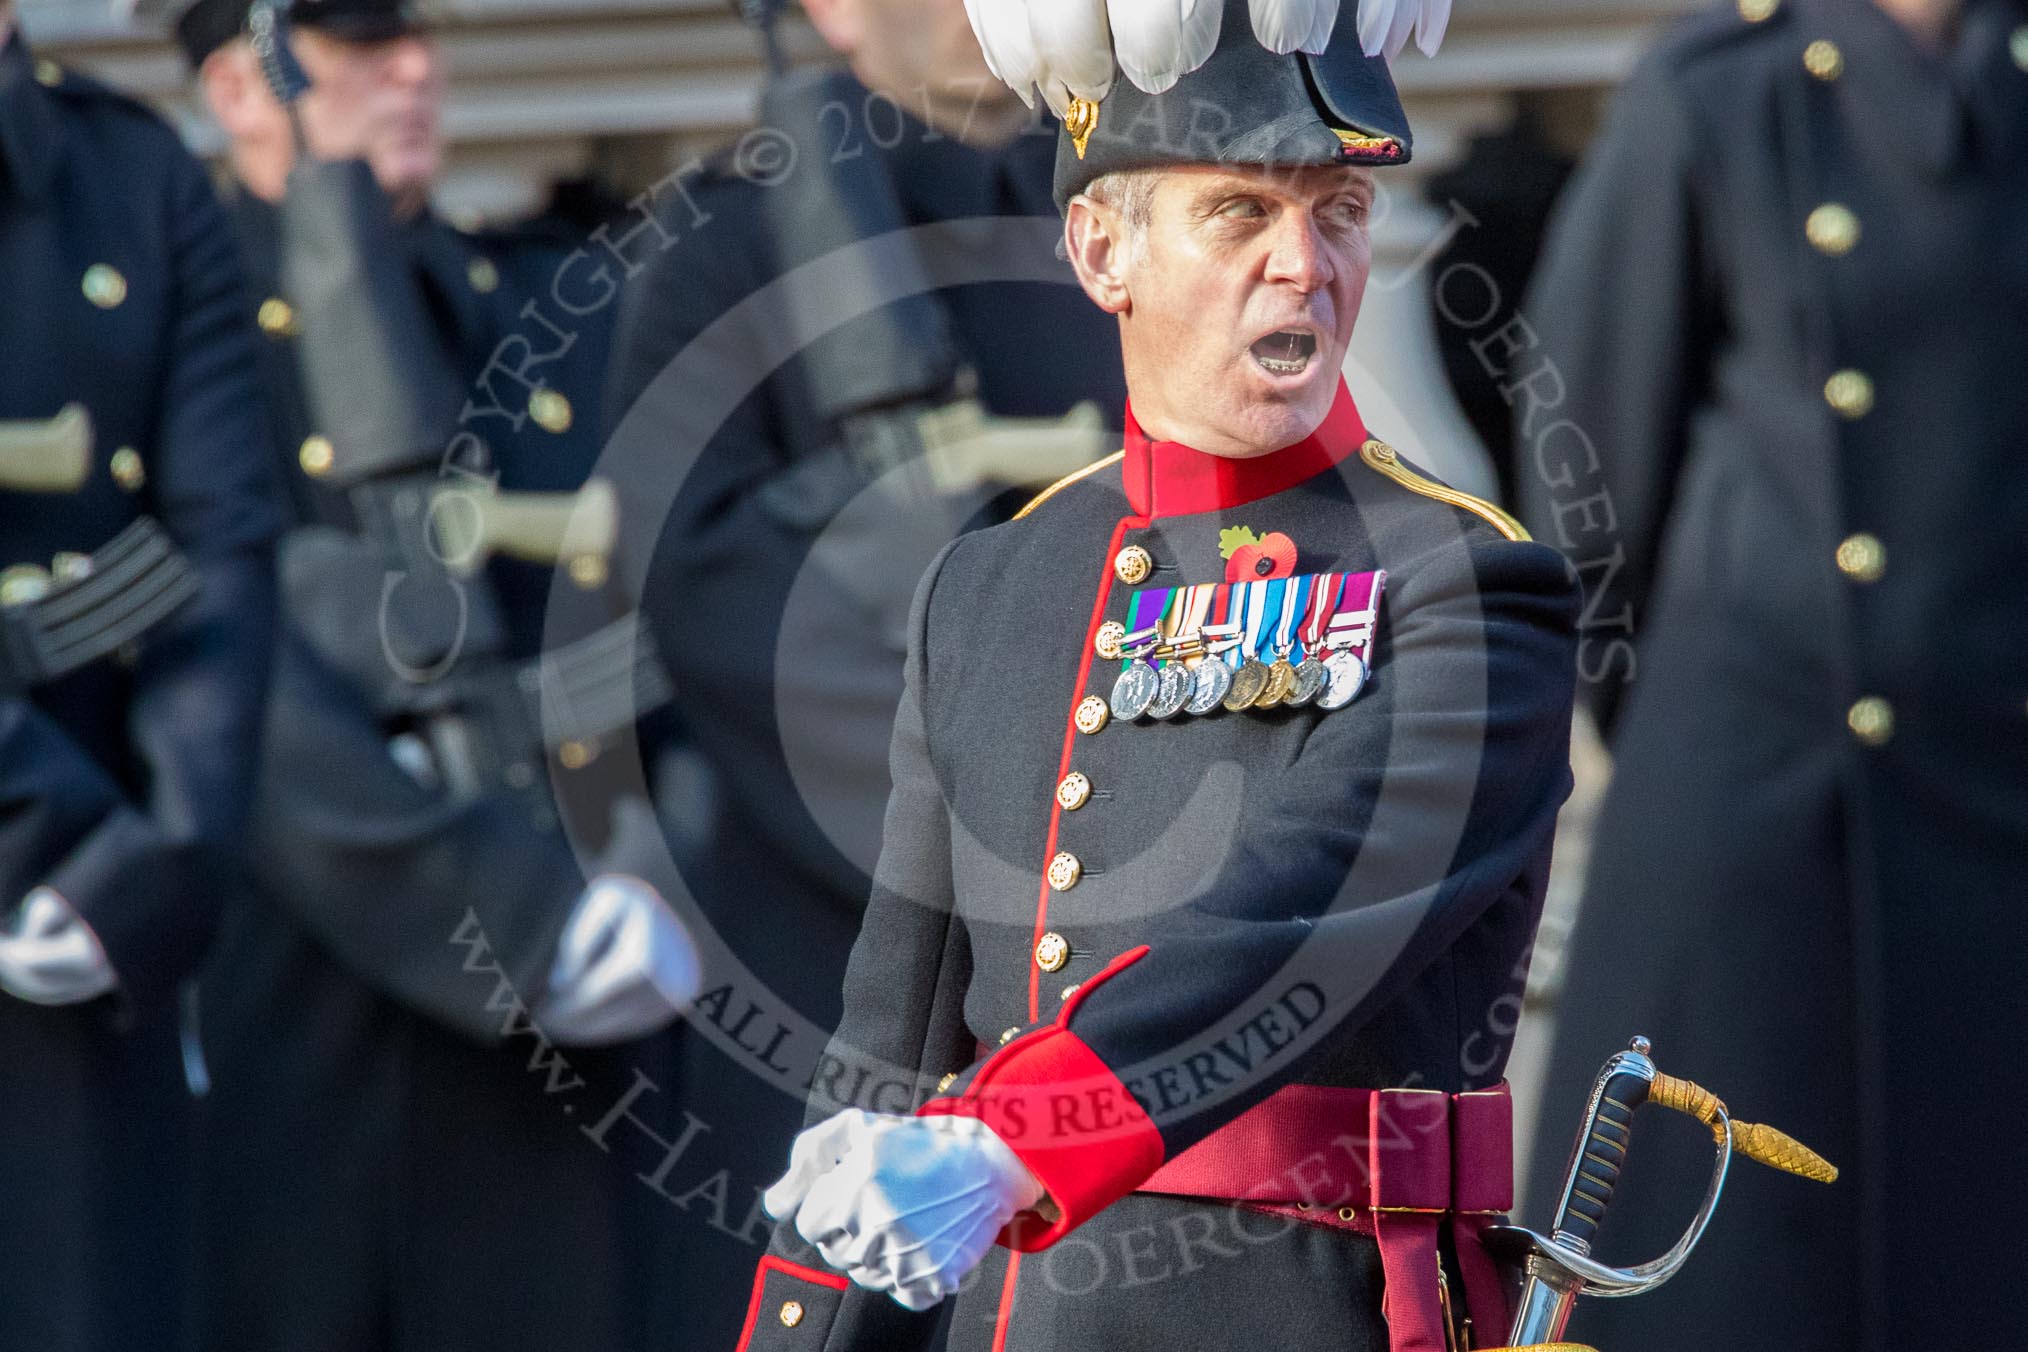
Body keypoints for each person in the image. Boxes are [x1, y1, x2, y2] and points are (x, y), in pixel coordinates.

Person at [732, 2, 1582, 1349]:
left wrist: (1020, 1134)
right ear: (1101, 248)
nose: (1304, 265)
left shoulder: (1469, 585)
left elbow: (1294, 915)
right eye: (1240, 211)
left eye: (1340, 210)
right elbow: (889, 1039)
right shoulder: (992, 585)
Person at [600, 1, 1129, 1343]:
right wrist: (981, 826)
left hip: (1098, 881)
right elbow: (705, 575)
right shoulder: (728, 239)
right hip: (832, 906)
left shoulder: (1106, 213)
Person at [173, 2, 698, 1348]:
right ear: (239, 86)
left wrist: (649, 862)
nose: (411, 70)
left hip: (576, 1009)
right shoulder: (187, 311)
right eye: (355, 44)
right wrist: (514, 919)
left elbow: (641, 623)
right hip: (306, 993)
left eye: (419, 39)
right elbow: (217, 657)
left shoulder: (537, 301)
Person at [1509, 0, 2028, 1349]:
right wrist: (1681, 704)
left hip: (2000, 778)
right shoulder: (1719, 93)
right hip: (1754, 797)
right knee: (1726, 1283)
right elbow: (1587, 465)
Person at [0, 3, 283, 1347]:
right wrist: (40, 828)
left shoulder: (131, 173)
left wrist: (160, 861)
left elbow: (219, 541)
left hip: (88, 931)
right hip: (56, 841)